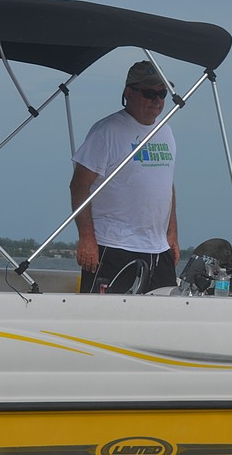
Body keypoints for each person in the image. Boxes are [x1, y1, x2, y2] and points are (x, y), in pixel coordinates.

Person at [70, 61, 180, 293]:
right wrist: (87, 239)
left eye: (162, 94)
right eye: (150, 93)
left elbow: (166, 186)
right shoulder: (106, 132)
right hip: (113, 246)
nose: (157, 101)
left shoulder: (166, 132)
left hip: (158, 249)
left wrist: (171, 234)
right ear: (128, 93)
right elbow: (79, 186)